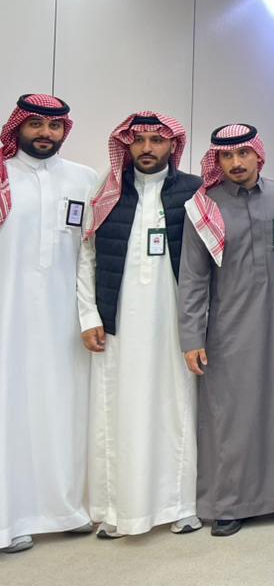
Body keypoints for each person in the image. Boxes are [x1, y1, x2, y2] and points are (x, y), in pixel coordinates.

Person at [178, 123, 274, 536]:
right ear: (217, 160)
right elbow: (193, 278)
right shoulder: (204, 206)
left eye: (243, 154)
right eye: (227, 156)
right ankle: (228, 503)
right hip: (228, 328)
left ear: (258, 155)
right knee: (229, 415)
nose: (236, 162)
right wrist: (191, 337)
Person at [77, 112, 202, 537]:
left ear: (173, 145)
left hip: (175, 323)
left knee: (177, 407)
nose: (147, 148)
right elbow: (87, 256)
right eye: (139, 140)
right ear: (126, 145)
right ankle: (118, 510)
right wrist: (89, 315)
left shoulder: (194, 191)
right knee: (117, 410)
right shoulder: (107, 190)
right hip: (118, 322)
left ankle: (181, 504)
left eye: (157, 140)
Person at [0, 95, 97, 554]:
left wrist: (89, 315)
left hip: (64, 323)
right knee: (9, 412)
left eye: (54, 126)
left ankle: (65, 510)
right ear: (17, 127)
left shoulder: (84, 179)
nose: (45, 133)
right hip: (9, 319)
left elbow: (88, 255)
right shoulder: (3, 176)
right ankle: (8, 518)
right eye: (35, 124)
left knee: (64, 411)